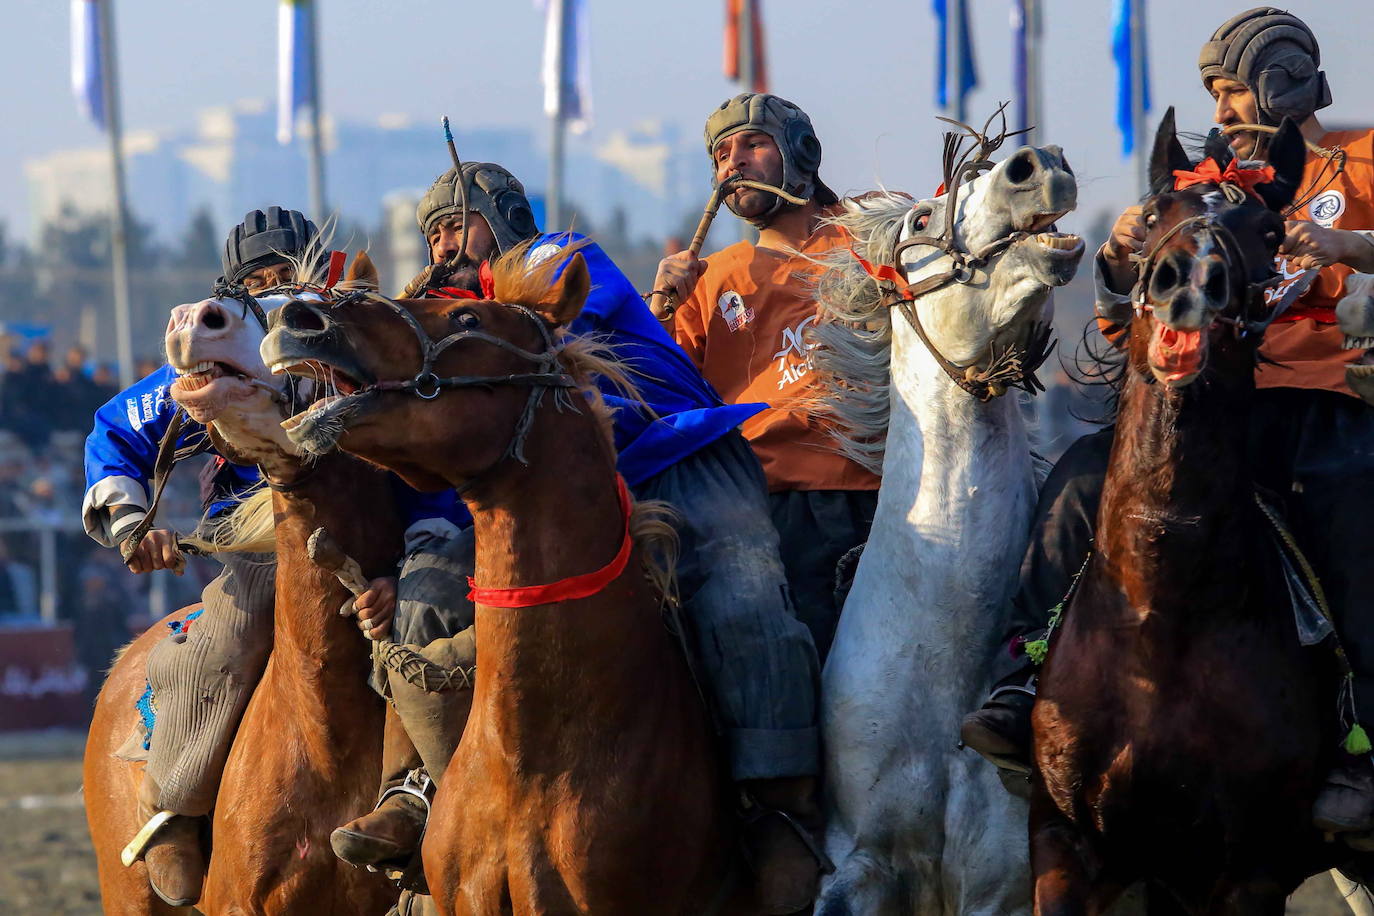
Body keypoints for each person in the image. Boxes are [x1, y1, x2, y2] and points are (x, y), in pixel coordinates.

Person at [331, 161, 826, 913]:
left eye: (454, 225)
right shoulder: (446, 322)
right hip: (548, 500)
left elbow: (539, 324)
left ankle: (777, 807)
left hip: (673, 454)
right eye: (430, 235)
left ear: (503, 219)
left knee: (743, 596)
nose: (442, 247)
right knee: (425, 598)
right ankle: (420, 789)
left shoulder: (548, 258)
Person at [960, 6, 1374, 839]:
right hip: (1204, 413)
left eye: (1230, 91)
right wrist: (1120, 262)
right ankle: (1022, 672)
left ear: (1283, 80)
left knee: (1350, 513)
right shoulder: (1202, 187)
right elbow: (1129, 328)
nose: (1220, 113)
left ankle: (1361, 746)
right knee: (1081, 476)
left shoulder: (1364, 159)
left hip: (1324, 408)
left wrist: (1350, 247)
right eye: (1213, 96)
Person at [81, 207, 442, 907]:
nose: (276, 285)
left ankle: (448, 808)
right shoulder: (220, 352)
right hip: (259, 543)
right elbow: (117, 427)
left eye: (289, 272)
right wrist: (132, 524)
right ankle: (176, 810)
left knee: (453, 624)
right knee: (224, 638)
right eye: (261, 277)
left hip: (387, 534)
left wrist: (407, 565)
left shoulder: (351, 342)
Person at [651, 93, 881, 661]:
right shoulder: (711, 278)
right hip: (758, 506)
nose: (733, 163)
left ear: (801, 153)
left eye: (752, 144)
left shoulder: (873, 238)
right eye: (721, 155)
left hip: (875, 490)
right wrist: (657, 309)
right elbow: (657, 398)